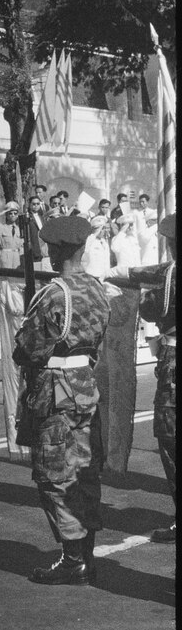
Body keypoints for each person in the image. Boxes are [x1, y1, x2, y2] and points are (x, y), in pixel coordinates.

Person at [13, 216, 110, 585]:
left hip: (55, 389)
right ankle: (86, 553)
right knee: (85, 471)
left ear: (57, 251)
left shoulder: (55, 294)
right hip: (85, 385)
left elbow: (28, 348)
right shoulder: (98, 289)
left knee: (54, 473)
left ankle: (73, 559)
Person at [118, 215, 176, 543]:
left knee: (169, 439)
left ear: (168, 242)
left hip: (174, 363)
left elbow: (152, 308)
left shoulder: (169, 275)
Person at [0, 201, 24, 268]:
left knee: (17, 276)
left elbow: (22, 244)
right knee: (6, 276)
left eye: (15, 213)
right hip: (6, 255)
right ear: (6, 215)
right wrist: (1, 213)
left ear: (17, 215)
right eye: (10, 213)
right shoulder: (1, 227)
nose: (13, 215)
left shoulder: (19, 229)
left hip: (17, 256)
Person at [81, 216, 112, 280]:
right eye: (102, 229)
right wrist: (94, 234)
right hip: (91, 275)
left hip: (103, 276)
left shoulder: (104, 243)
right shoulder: (89, 240)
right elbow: (85, 251)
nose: (104, 231)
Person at [27, 195, 50, 268]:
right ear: (29, 204)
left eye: (38, 204)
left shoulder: (42, 217)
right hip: (33, 249)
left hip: (43, 249)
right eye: (34, 204)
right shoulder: (27, 217)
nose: (36, 206)